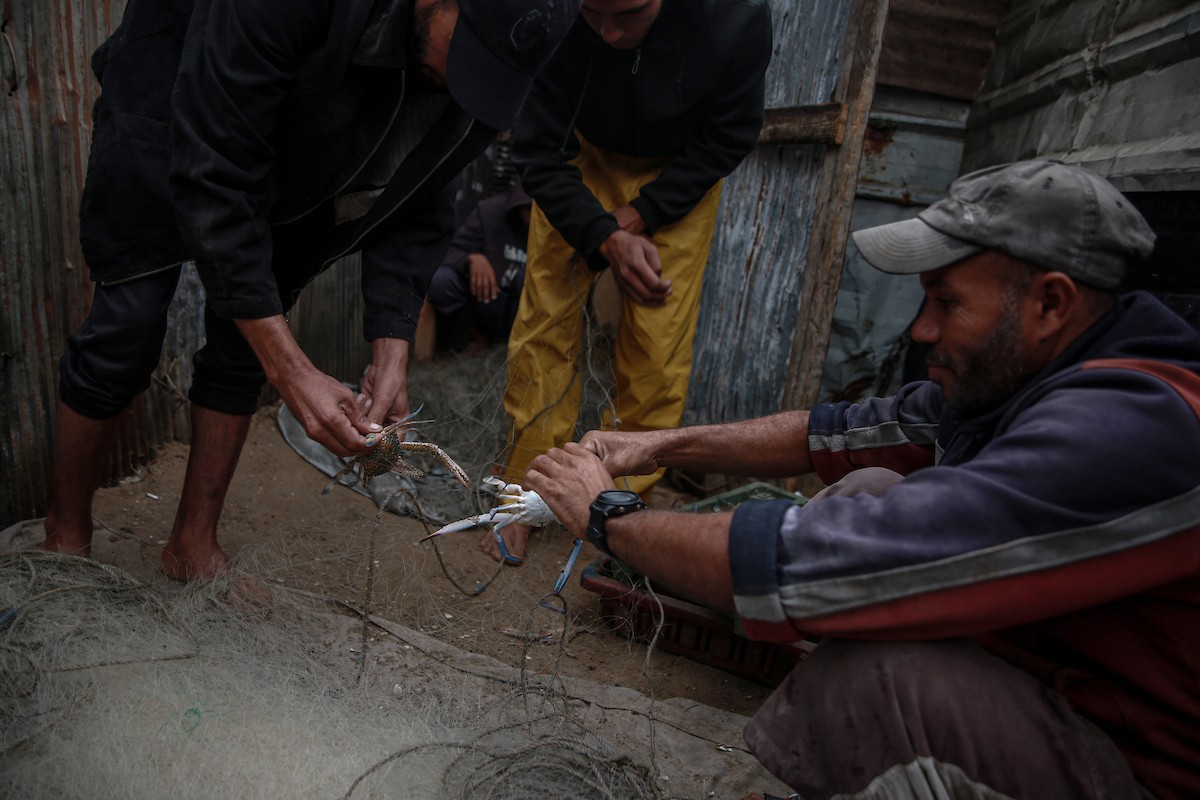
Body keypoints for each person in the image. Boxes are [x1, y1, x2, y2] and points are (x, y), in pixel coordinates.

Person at [523, 161, 1200, 800]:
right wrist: (655, 446)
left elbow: (809, 568)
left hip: (1138, 769)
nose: (921, 329)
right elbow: (833, 432)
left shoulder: (1124, 431)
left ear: (1050, 304)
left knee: (880, 683)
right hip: (1054, 691)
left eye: (946, 302)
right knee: (864, 488)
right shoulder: (1028, 381)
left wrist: (608, 515)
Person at [39, 0, 581, 583]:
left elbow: (421, 195)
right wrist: (292, 372)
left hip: (301, 140)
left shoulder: (470, 85)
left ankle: (192, 543)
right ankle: (65, 534)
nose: (470, 83)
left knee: (243, 347)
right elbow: (218, 177)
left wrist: (392, 348)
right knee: (130, 322)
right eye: (473, 57)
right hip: (170, 91)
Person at [487, 0, 774, 564]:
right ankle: (522, 496)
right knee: (544, 328)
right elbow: (538, 149)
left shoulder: (738, 17)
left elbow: (730, 135)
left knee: (657, 350)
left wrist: (642, 214)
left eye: (630, 14)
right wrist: (599, 233)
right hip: (579, 159)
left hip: (679, 170)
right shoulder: (555, 12)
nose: (610, 33)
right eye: (593, 13)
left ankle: (618, 514)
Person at [427, 179, 534, 353]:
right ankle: (470, 340)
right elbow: (450, 253)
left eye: (536, 210)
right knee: (441, 281)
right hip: (485, 305)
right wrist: (471, 259)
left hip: (524, 314)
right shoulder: (489, 211)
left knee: (528, 277)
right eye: (527, 209)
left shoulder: (556, 225)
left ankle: (521, 347)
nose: (530, 218)